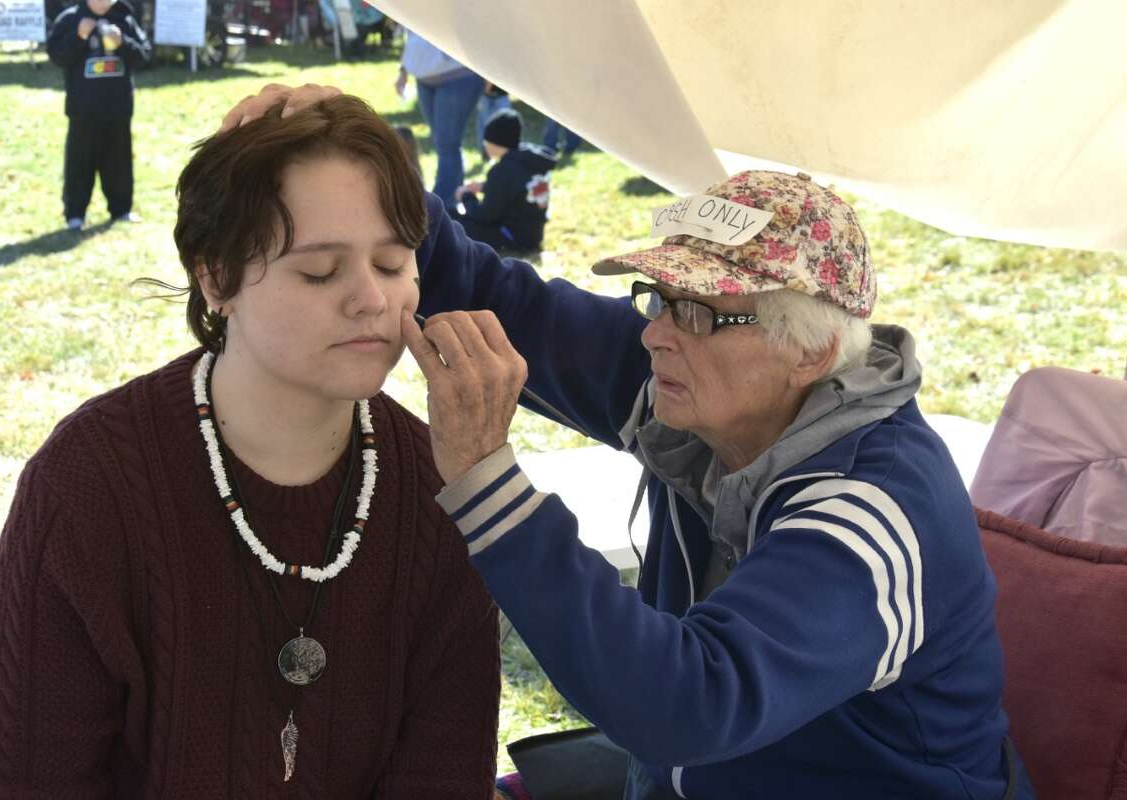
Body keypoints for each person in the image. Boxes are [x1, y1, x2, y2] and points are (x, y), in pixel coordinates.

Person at [226, 85, 1034, 799]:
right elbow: (513, 305)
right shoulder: (712, 391)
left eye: (701, 312)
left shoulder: (875, 512)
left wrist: (486, 482)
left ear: (812, 350)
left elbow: (689, 706)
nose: (656, 337)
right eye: (659, 298)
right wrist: (372, 163)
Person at [0, 95, 501, 798]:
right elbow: (21, 775)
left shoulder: (440, 486)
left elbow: (445, 775)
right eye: (320, 271)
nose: (371, 298)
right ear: (215, 276)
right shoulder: (90, 483)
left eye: (394, 262)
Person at [47, 0, 150, 231]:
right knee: (79, 164)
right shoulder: (70, 18)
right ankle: (75, 215)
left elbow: (143, 56)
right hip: (83, 110)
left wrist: (122, 42)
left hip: (118, 108)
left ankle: (121, 209)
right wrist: (79, 36)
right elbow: (56, 56)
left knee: (119, 163)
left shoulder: (124, 18)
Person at [394, 29, 482, 209]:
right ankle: (449, 203)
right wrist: (404, 69)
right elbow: (411, 32)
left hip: (457, 74)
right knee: (444, 144)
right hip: (425, 77)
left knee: (447, 144)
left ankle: (442, 207)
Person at [452, 108, 556, 254]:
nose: (485, 145)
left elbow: (485, 216)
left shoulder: (501, 171)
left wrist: (466, 196)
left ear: (496, 142)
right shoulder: (530, 161)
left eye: (486, 141)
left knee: (454, 223)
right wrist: (484, 187)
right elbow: (516, 188)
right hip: (534, 235)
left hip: (512, 237)